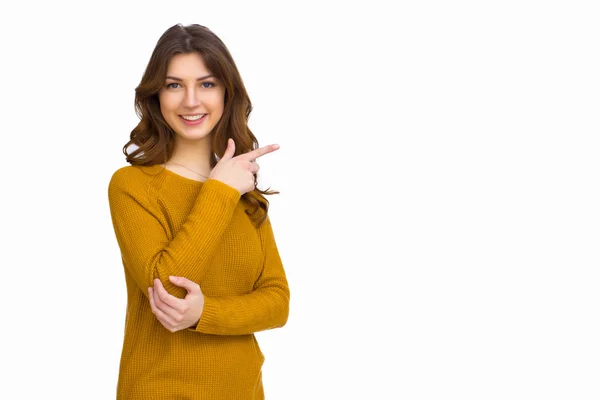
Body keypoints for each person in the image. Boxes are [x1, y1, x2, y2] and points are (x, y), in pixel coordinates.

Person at [107, 23, 290, 399]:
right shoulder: (133, 186)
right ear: (157, 95)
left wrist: (205, 314)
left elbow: (277, 303)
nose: (191, 101)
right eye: (175, 85)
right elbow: (167, 290)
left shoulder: (244, 191)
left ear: (226, 93)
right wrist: (219, 191)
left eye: (206, 84)